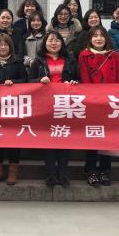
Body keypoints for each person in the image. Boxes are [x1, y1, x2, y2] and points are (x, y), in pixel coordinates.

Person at [29, 31, 79, 187]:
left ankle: (63, 174)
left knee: (64, 138)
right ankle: (51, 174)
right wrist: (39, 80)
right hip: (45, 104)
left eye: (57, 40)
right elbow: (29, 81)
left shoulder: (70, 59)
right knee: (49, 139)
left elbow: (78, 78)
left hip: (65, 104)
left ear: (62, 43)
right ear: (45, 43)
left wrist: (75, 82)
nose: (54, 43)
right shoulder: (38, 60)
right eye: (50, 40)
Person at [78, 25, 119, 186]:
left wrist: (117, 100)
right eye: (95, 35)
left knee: (107, 138)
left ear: (106, 38)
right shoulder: (84, 55)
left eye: (101, 35)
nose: (98, 38)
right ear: (90, 39)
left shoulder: (114, 55)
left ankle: (105, 171)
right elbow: (85, 78)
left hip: (110, 102)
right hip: (93, 102)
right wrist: (93, 99)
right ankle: (91, 170)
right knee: (93, 135)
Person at [0, 33, 28, 185]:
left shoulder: (17, 62)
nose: (3, 47)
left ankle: (13, 169)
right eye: (0, 45)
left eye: (6, 44)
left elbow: (25, 81)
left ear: (10, 47)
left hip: (12, 107)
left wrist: (13, 82)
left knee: (13, 138)